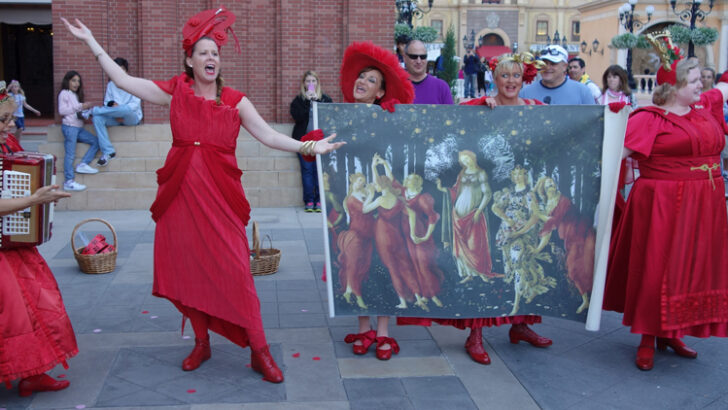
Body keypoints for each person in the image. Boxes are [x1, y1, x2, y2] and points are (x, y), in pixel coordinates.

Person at [62, 7, 343, 383]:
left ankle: (259, 350)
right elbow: (124, 80)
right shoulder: (174, 92)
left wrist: (309, 149)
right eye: (204, 52)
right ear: (189, 60)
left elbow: (269, 136)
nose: (211, 57)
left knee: (238, 271)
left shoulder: (235, 101)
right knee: (187, 269)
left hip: (221, 198)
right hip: (179, 195)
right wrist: (92, 42)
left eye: (215, 52)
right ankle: (201, 342)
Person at [604, 33, 728, 371]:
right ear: (673, 86)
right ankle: (647, 337)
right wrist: (612, 123)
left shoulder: (704, 115)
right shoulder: (649, 119)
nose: (701, 84)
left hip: (705, 205)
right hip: (662, 205)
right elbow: (612, 155)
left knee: (688, 269)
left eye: (701, 78)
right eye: (693, 80)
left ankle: (671, 332)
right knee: (658, 269)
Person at [338, 41, 414, 361]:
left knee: (383, 263)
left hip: (381, 206)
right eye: (361, 76)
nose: (363, 82)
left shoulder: (388, 120)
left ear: (381, 93)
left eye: (372, 80)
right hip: (354, 204)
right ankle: (364, 327)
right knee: (357, 264)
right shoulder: (340, 118)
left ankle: (383, 332)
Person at [0, 84, 77, 397]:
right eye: (3, 119)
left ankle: (33, 372)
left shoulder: (9, 145)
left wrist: (44, 197)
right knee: (15, 315)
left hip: (13, 246)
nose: (10, 124)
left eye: (9, 119)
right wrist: (33, 199)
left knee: (39, 305)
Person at [535, 176, 594, 314]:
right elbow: (549, 224)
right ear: (543, 190)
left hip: (580, 234)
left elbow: (554, 221)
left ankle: (587, 300)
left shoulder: (564, 201)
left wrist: (538, 215)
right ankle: (585, 299)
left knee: (575, 267)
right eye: (548, 186)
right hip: (569, 237)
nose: (552, 187)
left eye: (553, 184)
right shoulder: (548, 202)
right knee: (573, 268)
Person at [290, 70, 333, 212]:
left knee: (319, 171)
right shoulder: (299, 101)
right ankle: (309, 201)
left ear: (318, 83)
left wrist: (316, 102)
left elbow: (328, 118)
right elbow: (297, 116)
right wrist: (308, 102)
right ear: (304, 84)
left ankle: (319, 200)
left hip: (321, 141)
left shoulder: (325, 99)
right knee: (307, 170)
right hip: (304, 141)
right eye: (308, 81)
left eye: (313, 81)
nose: (311, 84)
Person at [91, 57, 143, 167]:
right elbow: (107, 103)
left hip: (131, 117)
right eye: (117, 69)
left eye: (122, 69)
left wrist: (119, 111)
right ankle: (108, 152)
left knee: (126, 109)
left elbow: (134, 105)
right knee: (97, 118)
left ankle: (93, 110)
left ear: (126, 70)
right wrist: (115, 111)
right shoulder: (110, 85)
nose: (119, 72)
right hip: (115, 116)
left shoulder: (134, 83)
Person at [58, 70, 100, 192]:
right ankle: (69, 181)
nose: (76, 84)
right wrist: (80, 106)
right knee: (70, 155)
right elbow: (62, 111)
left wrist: (85, 112)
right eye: (73, 81)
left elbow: (74, 111)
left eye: (78, 81)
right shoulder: (64, 93)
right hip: (70, 127)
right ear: (68, 81)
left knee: (96, 141)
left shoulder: (75, 95)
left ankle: (83, 164)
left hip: (78, 127)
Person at [520, 45, 594, 105]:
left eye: (553, 64)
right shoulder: (525, 93)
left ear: (565, 66)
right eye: (544, 63)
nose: (547, 67)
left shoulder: (582, 92)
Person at [403, 39, 453, 105]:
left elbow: (450, 114)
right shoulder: (396, 87)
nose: (418, 61)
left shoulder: (442, 88)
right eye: (414, 57)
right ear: (405, 58)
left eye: (423, 57)